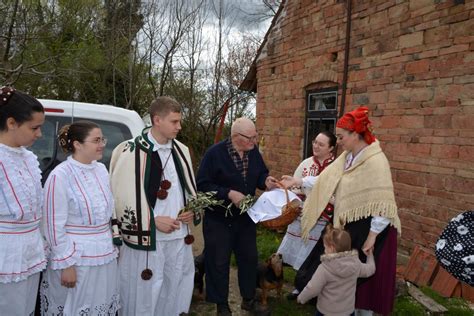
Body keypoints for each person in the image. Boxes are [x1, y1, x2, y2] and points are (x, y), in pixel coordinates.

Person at [291, 107, 400, 316]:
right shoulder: (349, 157)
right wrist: (298, 181)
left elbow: (383, 204)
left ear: (355, 134)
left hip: (373, 226)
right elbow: (328, 179)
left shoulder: (376, 162)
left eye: (341, 137)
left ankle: (356, 311)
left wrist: (372, 237)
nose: (338, 141)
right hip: (352, 221)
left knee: (361, 277)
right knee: (344, 271)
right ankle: (337, 305)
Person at [110, 96, 197, 316]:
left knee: (175, 286)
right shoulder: (130, 151)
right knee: (145, 290)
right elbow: (121, 197)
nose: (179, 126)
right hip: (149, 238)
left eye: (179, 121)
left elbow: (187, 188)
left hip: (178, 236)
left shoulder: (182, 150)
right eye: (174, 121)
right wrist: (152, 221)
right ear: (157, 120)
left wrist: (191, 209)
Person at [196, 117, 278, 315]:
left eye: (255, 136)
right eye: (250, 138)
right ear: (235, 137)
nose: (254, 141)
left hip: (245, 218)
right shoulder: (214, 154)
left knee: (249, 259)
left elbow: (260, 174)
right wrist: (229, 193)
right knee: (218, 262)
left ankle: (248, 300)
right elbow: (202, 185)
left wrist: (265, 181)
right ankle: (221, 305)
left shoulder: (253, 153)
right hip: (218, 220)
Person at [41, 120, 120, 315]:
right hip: (75, 258)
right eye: (96, 140)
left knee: (99, 304)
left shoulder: (101, 170)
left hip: (104, 254)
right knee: (74, 307)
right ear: (77, 144)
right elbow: (52, 225)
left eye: (103, 139)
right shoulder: (60, 176)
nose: (102, 144)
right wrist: (66, 265)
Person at [0, 87, 46, 315]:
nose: (38, 135)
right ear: (11, 123)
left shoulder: (28, 158)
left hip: (30, 248)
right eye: (34, 128)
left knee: (26, 308)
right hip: (5, 253)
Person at [278, 131, 336, 271]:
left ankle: (310, 283)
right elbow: (295, 189)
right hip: (302, 216)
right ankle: (299, 282)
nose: (316, 146)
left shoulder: (336, 167)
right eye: (315, 142)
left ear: (331, 148)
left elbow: (337, 193)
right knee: (299, 249)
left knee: (315, 254)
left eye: (321, 144)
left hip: (325, 218)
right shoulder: (306, 164)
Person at [297, 225, 375, 316]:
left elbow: (313, 288)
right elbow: (370, 269)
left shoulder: (324, 268)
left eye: (325, 247)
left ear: (332, 248)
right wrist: (370, 255)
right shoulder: (356, 264)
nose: (324, 250)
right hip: (347, 311)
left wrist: (302, 298)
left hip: (326, 312)